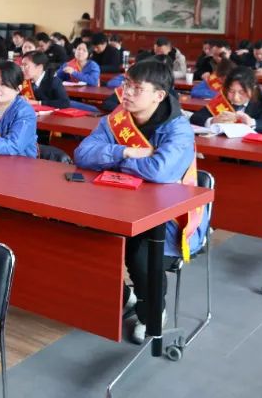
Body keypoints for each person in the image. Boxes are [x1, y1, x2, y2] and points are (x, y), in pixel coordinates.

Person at [73, 60, 208, 345]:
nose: (127, 93)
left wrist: (112, 160)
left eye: (137, 88)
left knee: (141, 254)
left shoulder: (178, 129)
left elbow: (159, 171)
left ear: (159, 95)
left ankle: (153, 313)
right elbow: (82, 154)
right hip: (119, 205)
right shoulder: (117, 118)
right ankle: (126, 297)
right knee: (84, 237)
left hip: (170, 218)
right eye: (126, 85)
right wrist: (127, 152)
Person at [189, 67, 262, 135]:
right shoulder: (223, 99)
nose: (236, 97)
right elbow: (195, 118)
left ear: (253, 88)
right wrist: (213, 120)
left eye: (242, 92)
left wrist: (252, 123)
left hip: (256, 153)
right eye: (231, 91)